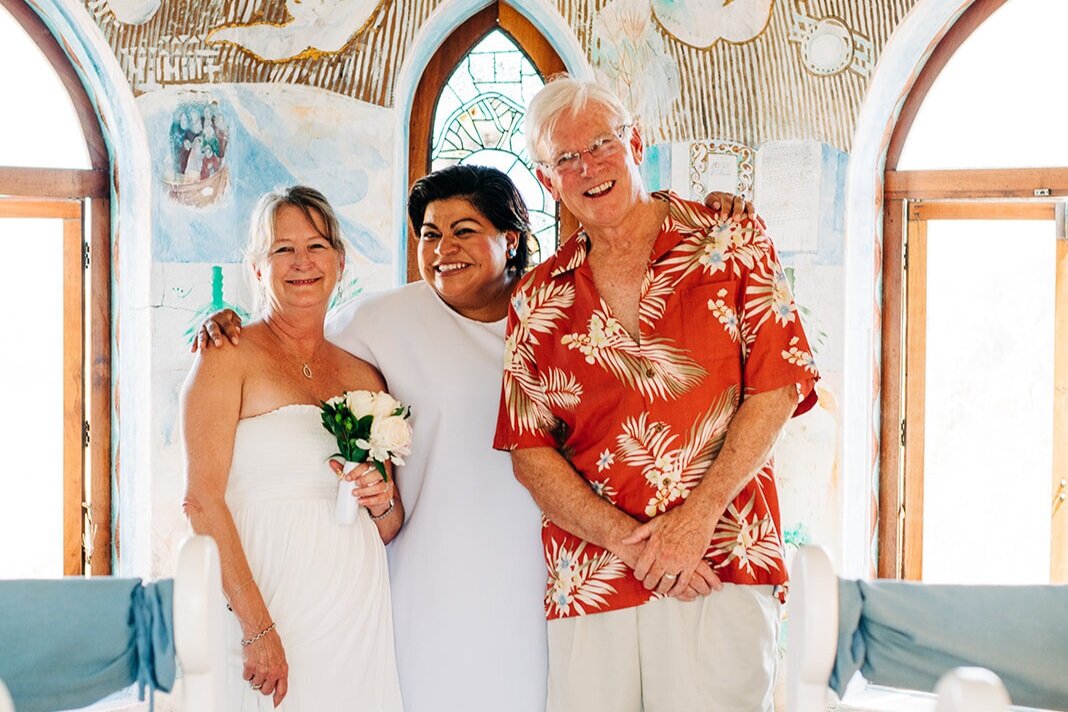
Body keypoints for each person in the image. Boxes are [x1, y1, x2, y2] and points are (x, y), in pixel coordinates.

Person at [195, 167, 755, 711]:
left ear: (510, 240)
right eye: (430, 234)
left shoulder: (562, 311)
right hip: (429, 580)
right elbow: (295, 342)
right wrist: (226, 322)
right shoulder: (380, 320)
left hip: (554, 572)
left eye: (463, 231)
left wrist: (712, 215)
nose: (443, 249)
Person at [492, 77, 820, 712]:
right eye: (565, 158)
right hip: (593, 577)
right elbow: (529, 453)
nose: (588, 167)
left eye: (601, 144)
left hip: (720, 559)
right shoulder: (536, 298)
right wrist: (631, 543)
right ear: (545, 178)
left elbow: (778, 389)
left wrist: (693, 523)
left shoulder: (731, 240)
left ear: (634, 141)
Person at [181, 186, 404, 710]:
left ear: (340, 262)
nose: (301, 262)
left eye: (317, 246)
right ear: (257, 268)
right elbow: (200, 501)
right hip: (266, 599)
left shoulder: (365, 373)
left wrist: (381, 499)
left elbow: (390, 525)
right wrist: (258, 629)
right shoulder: (225, 355)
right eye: (283, 249)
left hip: (354, 607)